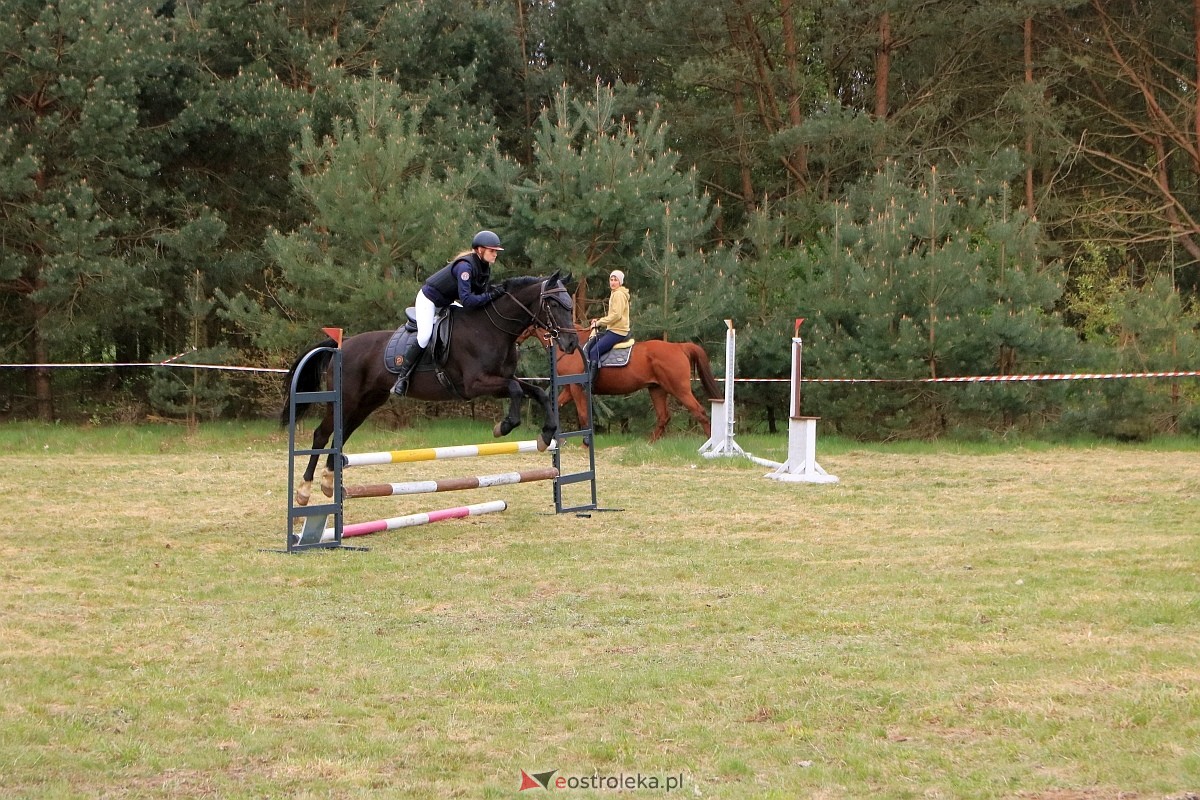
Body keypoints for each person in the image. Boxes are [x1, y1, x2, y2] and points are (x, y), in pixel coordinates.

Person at [392, 230, 505, 395]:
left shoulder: (484, 267)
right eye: (492, 251)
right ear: (480, 250)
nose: (495, 254)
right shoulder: (465, 267)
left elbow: (481, 294)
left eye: (496, 251)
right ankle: (402, 378)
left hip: (446, 301)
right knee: (424, 336)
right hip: (429, 299)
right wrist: (490, 296)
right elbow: (467, 301)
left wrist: (494, 294)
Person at [583, 269, 632, 380]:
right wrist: (600, 321)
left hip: (617, 331)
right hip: (614, 329)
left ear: (620, 282)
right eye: (611, 279)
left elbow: (616, 315)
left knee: (595, 351)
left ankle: (590, 382)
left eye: (615, 280)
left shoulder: (618, 294)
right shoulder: (615, 293)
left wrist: (599, 322)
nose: (613, 282)